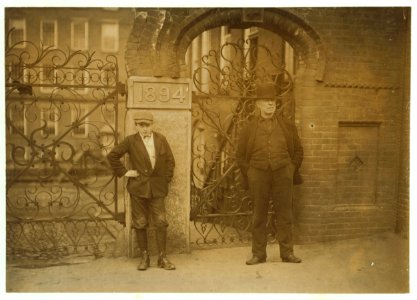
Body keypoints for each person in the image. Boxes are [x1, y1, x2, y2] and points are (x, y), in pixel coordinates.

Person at [236, 82, 304, 265]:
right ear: (258, 104)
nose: (270, 104)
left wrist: (290, 168)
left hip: (283, 173)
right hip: (258, 175)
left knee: (285, 214)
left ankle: (287, 253)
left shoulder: (288, 126)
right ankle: (259, 254)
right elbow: (240, 156)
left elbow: (298, 151)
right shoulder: (248, 128)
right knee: (259, 215)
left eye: (272, 101)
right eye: (266, 101)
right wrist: (250, 172)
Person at [107, 111, 176, 271]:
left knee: (161, 221)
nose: (145, 129)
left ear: (152, 125)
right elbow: (113, 156)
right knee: (140, 222)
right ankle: (144, 257)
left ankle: (162, 257)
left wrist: (165, 179)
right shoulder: (131, 141)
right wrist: (125, 172)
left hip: (158, 189)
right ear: (136, 126)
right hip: (138, 188)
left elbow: (170, 161)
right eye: (141, 125)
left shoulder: (161, 139)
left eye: (148, 125)